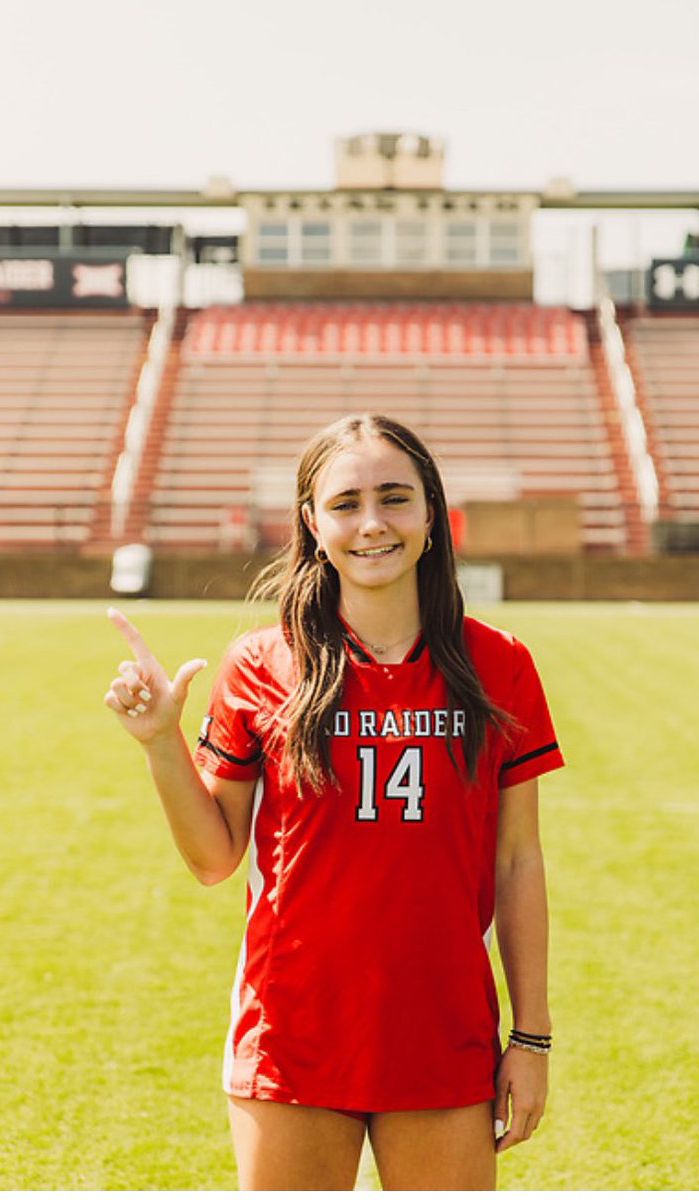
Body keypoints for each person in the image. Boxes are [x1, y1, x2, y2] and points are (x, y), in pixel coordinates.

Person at [104, 413, 564, 1190]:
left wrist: (532, 1037)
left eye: (395, 498)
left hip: (442, 1030)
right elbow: (215, 858)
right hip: (293, 1030)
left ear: (431, 516)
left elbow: (517, 861)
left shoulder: (500, 663)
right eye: (347, 503)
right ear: (313, 523)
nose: (372, 523)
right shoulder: (260, 662)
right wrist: (160, 744)